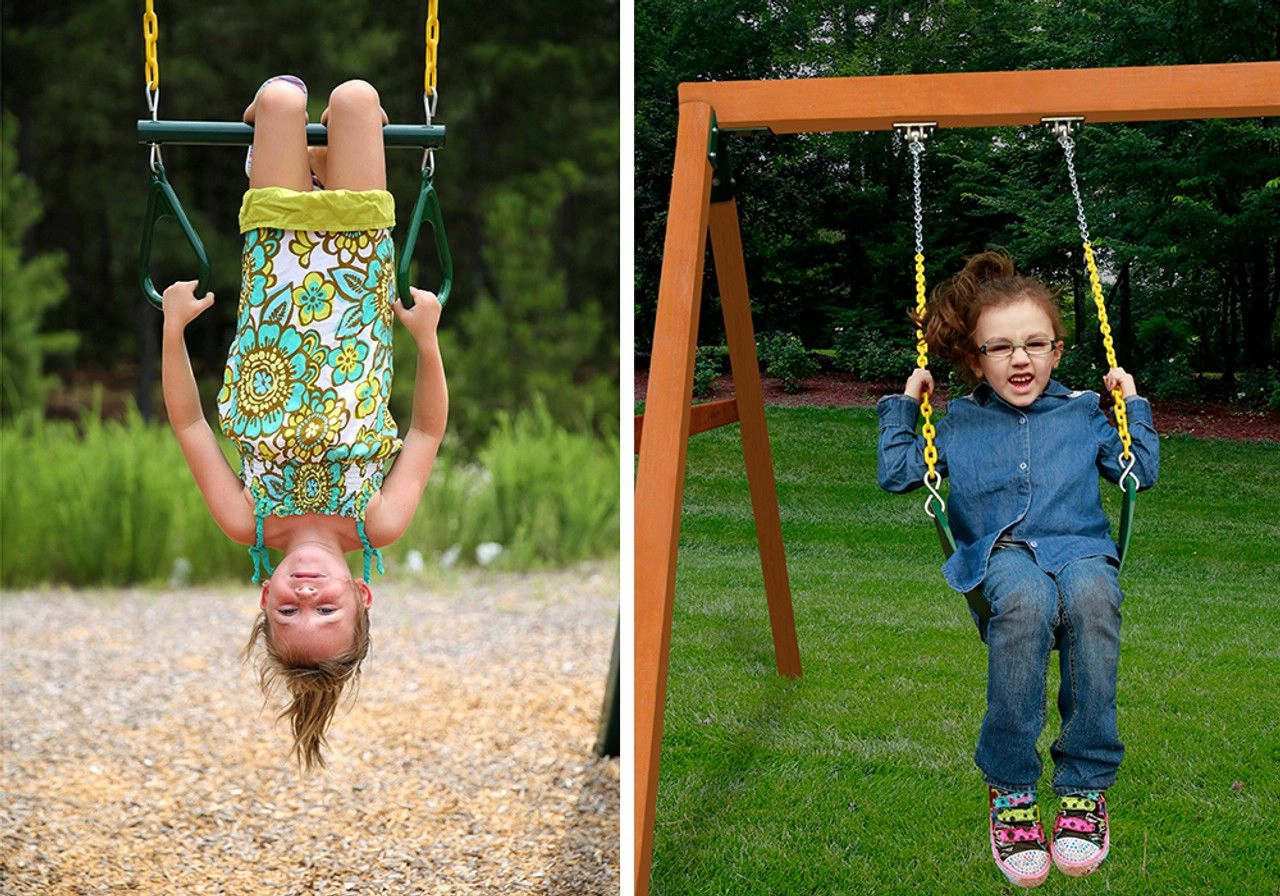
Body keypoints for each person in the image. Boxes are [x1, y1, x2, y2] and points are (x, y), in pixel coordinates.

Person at [162, 76, 448, 770]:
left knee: (282, 99)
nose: (308, 597)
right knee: (355, 99)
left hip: (276, 269)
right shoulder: (376, 522)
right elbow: (426, 434)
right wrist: (427, 341)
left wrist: (173, 332)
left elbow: (193, 429)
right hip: (359, 270)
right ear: (362, 595)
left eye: (288, 613)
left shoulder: (249, 519)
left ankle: (278, 137)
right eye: (329, 611)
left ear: (265, 595)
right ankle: (324, 153)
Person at [876, 250, 1159, 888]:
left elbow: (1139, 473)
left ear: (1058, 351)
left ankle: (1084, 786)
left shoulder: (1084, 412)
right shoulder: (959, 422)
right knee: (1027, 601)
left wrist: (1129, 404)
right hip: (1000, 557)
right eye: (1000, 348)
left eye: (1035, 344)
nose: (1021, 359)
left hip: (1081, 547)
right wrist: (904, 401)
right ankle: (1011, 789)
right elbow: (898, 474)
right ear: (976, 358)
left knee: (1092, 595)